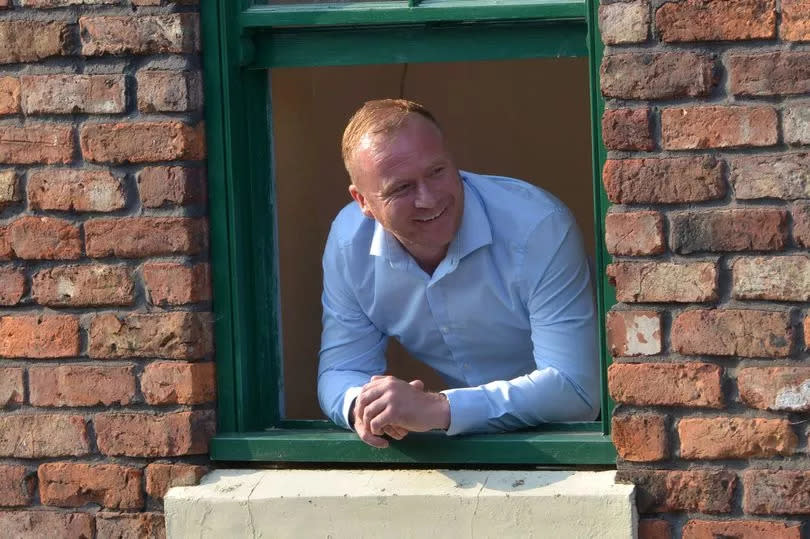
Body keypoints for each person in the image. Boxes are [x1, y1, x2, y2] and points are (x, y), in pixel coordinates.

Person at [317, 99, 599, 448]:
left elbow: (577, 392)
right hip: (462, 450)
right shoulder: (348, 244)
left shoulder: (538, 226)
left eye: (437, 172)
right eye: (401, 188)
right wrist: (367, 406)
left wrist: (438, 408)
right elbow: (339, 372)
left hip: (566, 445)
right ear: (363, 202)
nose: (429, 199)